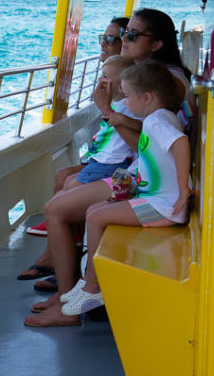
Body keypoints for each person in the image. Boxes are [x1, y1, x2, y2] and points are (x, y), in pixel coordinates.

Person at [23, 7, 191, 327]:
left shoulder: (164, 83)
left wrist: (109, 111)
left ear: (157, 43)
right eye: (123, 35)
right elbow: (146, 139)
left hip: (145, 179)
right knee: (63, 196)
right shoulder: (148, 78)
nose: (124, 39)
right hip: (142, 173)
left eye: (131, 34)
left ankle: (74, 298)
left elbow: (149, 140)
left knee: (56, 209)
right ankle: (70, 290)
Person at [60, 60, 191, 316]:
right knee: (97, 209)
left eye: (128, 96)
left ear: (147, 97)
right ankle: (88, 282)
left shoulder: (157, 122)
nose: (126, 103)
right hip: (157, 201)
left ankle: (93, 287)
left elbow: (180, 143)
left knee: (96, 216)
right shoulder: (159, 117)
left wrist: (183, 187)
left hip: (164, 208)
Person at [18, 16, 128, 279]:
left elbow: (139, 138)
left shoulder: (131, 90)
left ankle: (64, 272)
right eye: (103, 38)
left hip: (122, 169)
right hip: (112, 162)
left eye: (111, 39)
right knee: (62, 177)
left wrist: (105, 108)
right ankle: (58, 256)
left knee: (66, 191)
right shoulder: (121, 89)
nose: (104, 44)